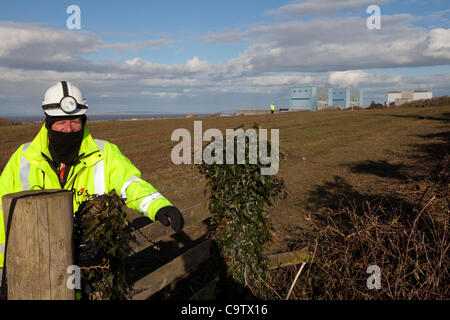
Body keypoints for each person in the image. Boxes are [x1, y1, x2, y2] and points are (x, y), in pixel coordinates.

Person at [0, 81, 184, 276]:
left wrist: (158, 205)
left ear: (84, 121)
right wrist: (3, 268)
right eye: (61, 121)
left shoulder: (105, 153)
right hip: (38, 266)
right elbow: (2, 213)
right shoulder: (23, 157)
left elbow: (130, 184)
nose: (68, 128)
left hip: (92, 263)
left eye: (75, 121)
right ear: (48, 122)